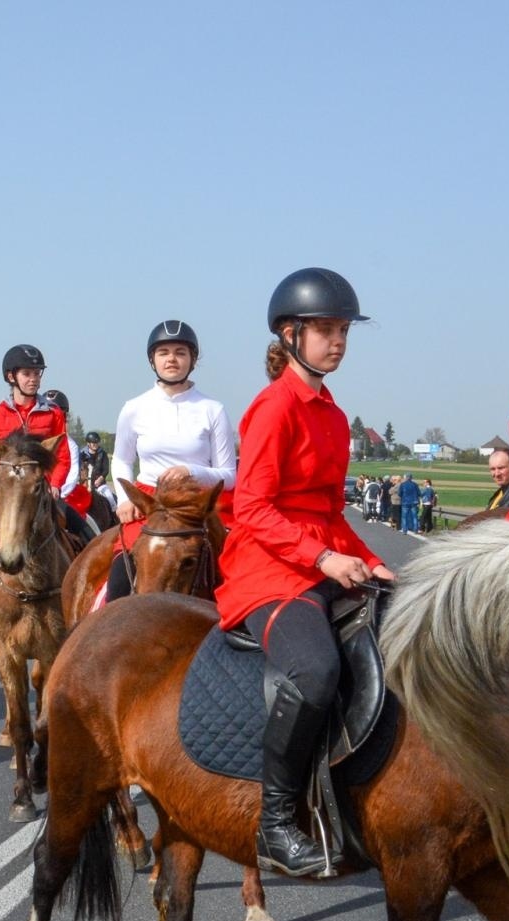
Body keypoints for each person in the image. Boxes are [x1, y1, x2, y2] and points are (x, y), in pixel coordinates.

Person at [215, 268, 394, 879]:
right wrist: (323, 559)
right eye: (325, 330)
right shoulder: (273, 407)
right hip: (267, 571)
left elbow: (329, 513)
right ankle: (275, 825)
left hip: (320, 559)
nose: (337, 341)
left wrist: (371, 560)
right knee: (316, 670)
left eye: (343, 331)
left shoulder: (334, 416)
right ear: (290, 335)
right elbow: (252, 508)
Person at [0, 344, 92, 654]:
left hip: (43, 495)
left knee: (91, 541)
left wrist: (55, 485)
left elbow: (63, 457)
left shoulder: (53, 414)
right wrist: (2, 487)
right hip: (8, 500)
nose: (34, 378)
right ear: (11, 377)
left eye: (37, 373)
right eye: (28, 373)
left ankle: (92, 614)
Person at [104, 320, 237, 600]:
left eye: (180, 352)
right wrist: (125, 500)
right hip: (149, 505)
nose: (172, 359)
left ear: (193, 360)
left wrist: (191, 471)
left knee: (241, 574)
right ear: (152, 360)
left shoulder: (213, 409)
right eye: (163, 352)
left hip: (199, 507)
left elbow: (229, 474)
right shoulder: (133, 408)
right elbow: (122, 460)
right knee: (118, 582)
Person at [41, 389, 95, 523]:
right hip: (34, 495)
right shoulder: (34, 442)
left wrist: (57, 491)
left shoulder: (71, 445)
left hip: (60, 495)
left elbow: (72, 476)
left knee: (81, 525)